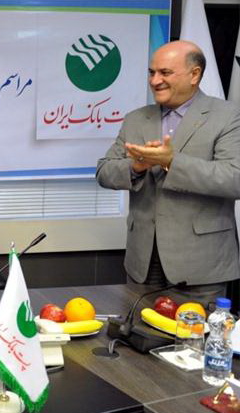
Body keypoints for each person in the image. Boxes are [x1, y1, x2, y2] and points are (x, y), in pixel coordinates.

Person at [96, 40, 240, 305]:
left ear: (194, 74)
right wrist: (136, 167)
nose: (155, 81)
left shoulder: (228, 116)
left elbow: (234, 178)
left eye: (165, 72)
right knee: (136, 331)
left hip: (200, 267)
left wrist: (172, 162)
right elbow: (104, 171)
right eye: (152, 72)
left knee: (193, 333)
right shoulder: (136, 119)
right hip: (143, 264)